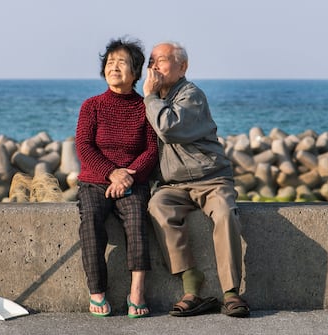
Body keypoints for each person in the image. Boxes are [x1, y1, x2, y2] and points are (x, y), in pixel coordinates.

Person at [142, 41, 250, 318]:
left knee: (225, 214)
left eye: (161, 60)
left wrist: (150, 98)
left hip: (212, 179)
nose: (154, 66)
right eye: (151, 61)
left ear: (183, 67)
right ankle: (192, 286)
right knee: (158, 207)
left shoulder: (191, 95)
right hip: (173, 186)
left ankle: (231, 293)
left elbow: (169, 128)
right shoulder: (152, 100)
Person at [75, 37, 158, 318]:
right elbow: (84, 146)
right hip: (95, 181)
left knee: (136, 218)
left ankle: (137, 292)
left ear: (135, 72)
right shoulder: (92, 105)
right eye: (110, 62)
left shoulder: (144, 107)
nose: (114, 67)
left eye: (121, 62)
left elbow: (151, 149)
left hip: (133, 181)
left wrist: (127, 178)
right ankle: (97, 291)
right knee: (91, 221)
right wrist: (112, 173)